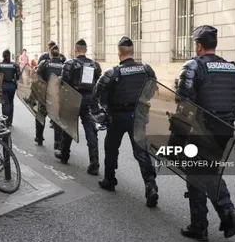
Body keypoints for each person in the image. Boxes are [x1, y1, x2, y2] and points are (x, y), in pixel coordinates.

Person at [176, 25, 235, 241]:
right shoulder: (233, 69)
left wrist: (177, 138)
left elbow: (184, 105)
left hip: (200, 130)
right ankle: (227, 214)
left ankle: (201, 225)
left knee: (195, 174)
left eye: (195, 45)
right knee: (208, 171)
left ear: (199, 45)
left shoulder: (193, 66)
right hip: (226, 130)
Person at [93, 36, 160, 207]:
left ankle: (109, 179)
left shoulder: (113, 73)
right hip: (139, 115)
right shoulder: (146, 69)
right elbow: (153, 89)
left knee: (111, 147)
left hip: (118, 116)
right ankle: (150, 185)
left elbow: (97, 93)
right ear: (133, 52)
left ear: (119, 53)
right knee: (141, 152)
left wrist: (104, 109)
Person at [54, 39, 102, 175]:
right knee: (91, 131)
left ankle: (64, 155)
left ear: (75, 50)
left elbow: (62, 83)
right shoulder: (95, 65)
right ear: (85, 50)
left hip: (73, 100)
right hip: (89, 102)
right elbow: (97, 83)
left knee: (68, 128)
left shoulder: (70, 63)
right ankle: (94, 163)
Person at [35, 44, 64, 150]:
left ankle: (39, 137)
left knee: (41, 116)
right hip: (57, 96)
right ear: (59, 54)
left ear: (50, 54)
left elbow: (37, 77)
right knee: (57, 119)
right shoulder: (63, 65)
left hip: (45, 95)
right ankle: (57, 142)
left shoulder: (45, 64)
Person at [0, 49, 21, 127]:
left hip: (3, 86)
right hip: (12, 86)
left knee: (5, 103)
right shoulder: (14, 65)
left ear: (3, 56)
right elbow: (19, 76)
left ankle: (5, 121)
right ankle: (10, 121)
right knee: (11, 103)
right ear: (9, 56)